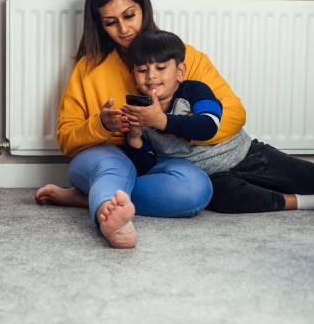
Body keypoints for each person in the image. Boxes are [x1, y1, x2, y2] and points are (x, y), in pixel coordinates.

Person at [35, 0, 246, 248]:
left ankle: (90, 197)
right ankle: (107, 219)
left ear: (144, 8)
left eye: (129, 15)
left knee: (197, 189)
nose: (124, 30)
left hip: (156, 159)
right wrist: (102, 125)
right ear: (100, 25)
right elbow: (65, 137)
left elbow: (234, 113)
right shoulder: (88, 69)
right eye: (111, 22)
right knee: (114, 165)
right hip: (106, 156)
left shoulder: (183, 56)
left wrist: (167, 125)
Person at [121, 30, 314, 212]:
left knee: (304, 175)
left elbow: (208, 126)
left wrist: (163, 121)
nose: (151, 75)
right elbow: (147, 166)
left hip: (246, 154)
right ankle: (300, 202)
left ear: (180, 72)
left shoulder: (196, 90)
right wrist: (134, 139)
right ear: (134, 75)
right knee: (225, 199)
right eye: (142, 70)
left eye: (161, 68)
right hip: (213, 177)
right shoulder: (139, 112)